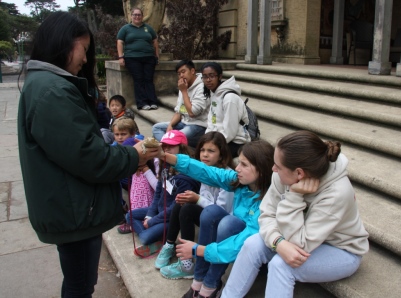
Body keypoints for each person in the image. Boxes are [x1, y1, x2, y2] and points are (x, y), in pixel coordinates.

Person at [17, 11, 159, 297]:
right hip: (75, 212)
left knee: (78, 283)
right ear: (64, 44)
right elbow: (90, 158)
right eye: (83, 49)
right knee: (80, 286)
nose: (84, 59)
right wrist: (135, 155)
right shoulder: (53, 92)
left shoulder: (45, 85)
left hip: (72, 206)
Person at [222, 130, 370, 298]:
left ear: (299, 173)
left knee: (281, 265)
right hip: (297, 236)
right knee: (252, 244)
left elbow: (300, 244)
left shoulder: (337, 193)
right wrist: (277, 241)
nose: (273, 169)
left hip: (341, 249)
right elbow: (266, 215)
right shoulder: (283, 173)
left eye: (277, 165)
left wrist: (293, 196)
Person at [158, 140, 275, 298]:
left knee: (229, 223)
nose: (237, 168)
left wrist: (200, 250)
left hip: (258, 254)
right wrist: (166, 156)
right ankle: (198, 281)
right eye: (238, 162)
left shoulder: (269, 201)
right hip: (234, 244)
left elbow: (245, 240)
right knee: (211, 211)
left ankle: (210, 285)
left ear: (262, 168)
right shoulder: (240, 181)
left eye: (244, 165)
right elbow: (205, 171)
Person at [155, 131, 235, 279]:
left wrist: (197, 199)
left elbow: (221, 211)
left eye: (211, 151)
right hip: (208, 216)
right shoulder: (205, 172)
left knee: (188, 207)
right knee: (182, 203)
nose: (205, 155)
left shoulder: (228, 177)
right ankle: (170, 244)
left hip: (223, 223)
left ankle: (187, 263)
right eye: (203, 150)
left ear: (222, 155)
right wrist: (195, 199)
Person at [127, 130, 201, 253]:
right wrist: (149, 215)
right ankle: (158, 237)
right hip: (159, 211)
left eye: (171, 146)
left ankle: (158, 237)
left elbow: (174, 208)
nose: (166, 149)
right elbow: (158, 193)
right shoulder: (165, 166)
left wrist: (152, 222)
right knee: (129, 215)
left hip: (171, 218)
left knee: (145, 238)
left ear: (182, 147)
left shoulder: (186, 176)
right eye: (164, 146)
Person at [152, 60, 210, 147]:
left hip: (198, 125)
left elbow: (192, 113)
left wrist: (184, 91)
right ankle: (168, 148)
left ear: (192, 71)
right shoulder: (183, 86)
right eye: (179, 74)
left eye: (183, 72)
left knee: (175, 137)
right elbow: (179, 112)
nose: (181, 75)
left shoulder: (202, 87)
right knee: (156, 128)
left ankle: (168, 149)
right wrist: (171, 125)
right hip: (184, 123)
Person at [201, 62, 251, 158]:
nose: (208, 80)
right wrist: (207, 140)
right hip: (218, 138)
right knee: (200, 150)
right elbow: (212, 121)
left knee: (209, 156)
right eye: (205, 77)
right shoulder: (214, 93)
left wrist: (212, 144)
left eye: (212, 76)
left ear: (220, 77)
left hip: (236, 141)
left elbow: (230, 133)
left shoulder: (229, 98)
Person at [117, 7, 159, 110]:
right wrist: (121, 56)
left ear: (142, 16)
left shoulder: (148, 28)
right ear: (131, 16)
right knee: (138, 79)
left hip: (149, 57)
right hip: (132, 58)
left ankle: (152, 101)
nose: (137, 16)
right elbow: (120, 42)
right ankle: (142, 103)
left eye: (139, 15)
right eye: (135, 14)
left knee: (149, 79)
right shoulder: (125, 28)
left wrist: (156, 55)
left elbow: (155, 41)